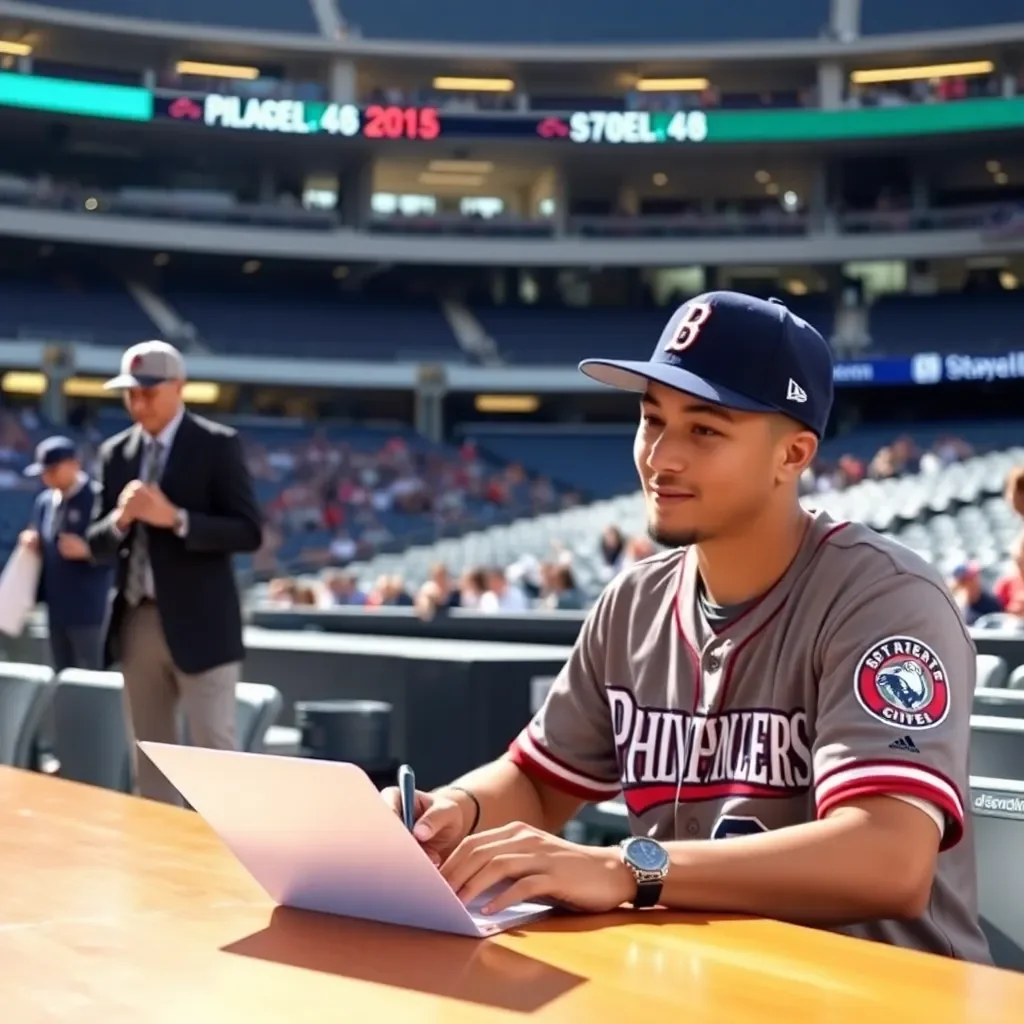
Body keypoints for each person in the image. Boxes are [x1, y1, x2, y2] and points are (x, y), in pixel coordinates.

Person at [384, 291, 990, 963]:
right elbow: (538, 783)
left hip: (888, 993)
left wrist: (628, 867)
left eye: (704, 430)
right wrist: (453, 812)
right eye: (652, 420)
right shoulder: (634, 602)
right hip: (709, 983)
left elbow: (888, 860)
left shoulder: (884, 598)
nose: (661, 457)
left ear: (793, 455)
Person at [87, 340, 263, 805]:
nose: (138, 401)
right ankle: (156, 870)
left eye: (149, 391)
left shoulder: (216, 445)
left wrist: (177, 518)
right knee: (150, 759)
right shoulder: (116, 452)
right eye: (131, 392)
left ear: (179, 387)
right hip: (138, 619)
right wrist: (121, 519)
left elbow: (248, 532)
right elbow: (96, 543)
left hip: (204, 623)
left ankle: (228, 865)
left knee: (216, 757)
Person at [20, 436, 112, 672]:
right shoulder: (44, 502)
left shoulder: (98, 499)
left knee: (92, 678)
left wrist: (88, 551)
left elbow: (119, 549)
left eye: (52, 470)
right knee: (60, 677)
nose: (46, 477)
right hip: (56, 608)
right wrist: (33, 542)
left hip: (90, 610)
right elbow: (40, 535)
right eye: (44, 471)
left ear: (74, 464)